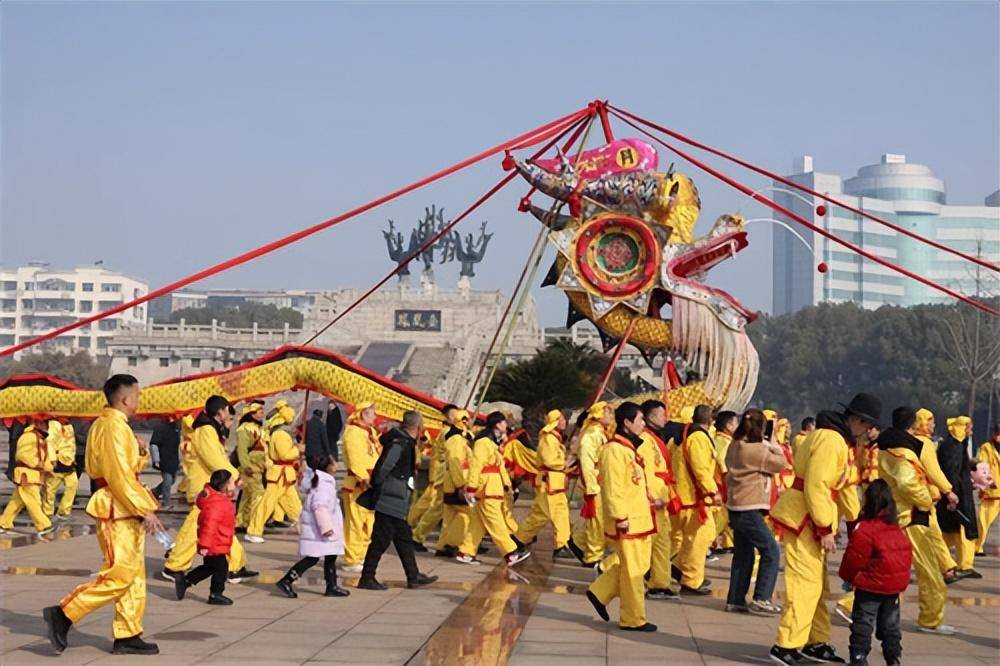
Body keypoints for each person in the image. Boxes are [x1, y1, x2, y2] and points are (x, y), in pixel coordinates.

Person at [43, 374, 163, 656]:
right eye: (137, 395)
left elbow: (125, 469)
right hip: (116, 506)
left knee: (133, 575)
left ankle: (129, 633)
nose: (139, 400)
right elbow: (118, 475)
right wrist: (142, 508)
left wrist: (140, 452)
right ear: (125, 398)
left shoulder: (116, 426)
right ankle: (64, 613)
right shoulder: (112, 427)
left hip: (124, 505)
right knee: (119, 573)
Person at [769, 392, 881, 666]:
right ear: (856, 420)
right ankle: (786, 645)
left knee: (818, 585)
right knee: (804, 585)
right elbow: (817, 485)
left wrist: (855, 522)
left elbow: (839, 487)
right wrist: (824, 527)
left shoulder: (838, 440)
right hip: (805, 519)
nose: (869, 431)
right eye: (867, 425)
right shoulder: (832, 441)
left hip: (811, 517)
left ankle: (814, 640)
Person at [878, 407, 954, 635]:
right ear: (912, 426)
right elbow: (909, 482)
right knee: (929, 570)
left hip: (900, 512)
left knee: (887, 567)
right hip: (913, 515)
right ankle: (931, 619)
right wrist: (927, 499)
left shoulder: (886, 448)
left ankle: (850, 603)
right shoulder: (905, 452)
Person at [164, 396, 254, 584]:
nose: (229, 415)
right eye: (228, 411)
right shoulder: (205, 430)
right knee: (194, 530)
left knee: (223, 527)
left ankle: (236, 565)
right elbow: (214, 459)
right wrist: (234, 476)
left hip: (212, 487)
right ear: (220, 412)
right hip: (203, 490)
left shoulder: (211, 430)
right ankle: (174, 566)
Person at [586, 402, 657, 632]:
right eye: (640, 420)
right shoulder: (614, 451)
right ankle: (633, 618)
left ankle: (600, 592)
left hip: (640, 519)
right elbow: (613, 488)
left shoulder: (628, 449)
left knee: (638, 567)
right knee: (634, 572)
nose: (643, 425)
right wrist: (620, 516)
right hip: (628, 521)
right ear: (627, 423)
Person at [358, 411, 440, 589]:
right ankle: (367, 577)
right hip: (390, 498)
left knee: (403, 538)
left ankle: (413, 575)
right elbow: (383, 468)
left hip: (397, 498)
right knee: (380, 540)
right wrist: (379, 486)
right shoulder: (400, 443)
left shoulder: (405, 442)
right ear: (418, 427)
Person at [838, 480, 911, 666]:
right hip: (893, 587)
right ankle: (893, 656)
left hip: (871, 585)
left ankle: (859, 656)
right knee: (891, 625)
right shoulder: (896, 529)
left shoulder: (865, 528)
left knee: (863, 622)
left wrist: (847, 577)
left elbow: (853, 559)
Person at [724, 408, 787, 616]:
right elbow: (780, 464)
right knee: (771, 550)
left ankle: (736, 599)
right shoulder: (757, 450)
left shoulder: (735, 445)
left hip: (736, 505)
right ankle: (762, 597)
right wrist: (774, 443)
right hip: (749, 507)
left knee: (743, 555)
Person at [458, 411, 531, 567]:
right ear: (498, 424)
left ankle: (466, 552)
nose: (506, 425)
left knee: (478, 523)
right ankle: (510, 553)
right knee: (495, 521)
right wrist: (471, 487)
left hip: (491, 487)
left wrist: (507, 485)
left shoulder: (490, 443)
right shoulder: (484, 443)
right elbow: (476, 466)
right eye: (504, 422)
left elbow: (500, 468)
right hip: (487, 489)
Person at [276, 453, 350, 598]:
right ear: (328, 467)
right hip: (321, 529)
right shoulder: (324, 485)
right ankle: (287, 580)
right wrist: (326, 528)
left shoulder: (324, 482)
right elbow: (319, 507)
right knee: (313, 558)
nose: (336, 465)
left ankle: (332, 585)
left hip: (322, 528)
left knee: (330, 556)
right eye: (334, 462)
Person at [671, 404, 719, 595]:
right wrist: (712, 491)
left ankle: (680, 567)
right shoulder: (698, 437)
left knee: (692, 537)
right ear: (710, 421)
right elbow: (701, 469)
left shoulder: (687, 435)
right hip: (693, 497)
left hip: (687, 495)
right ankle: (690, 580)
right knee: (702, 537)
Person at [635, 399, 679, 600]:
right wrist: (652, 497)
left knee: (662, 542)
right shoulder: (645, 439)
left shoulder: (655, 438)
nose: (665, 418)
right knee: (645, 543)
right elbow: (646, 471)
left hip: (662, 495)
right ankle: (607, 568)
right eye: (662, 414)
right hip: (653, 498)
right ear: (650, 417)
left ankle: (660, 584)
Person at [516, 410, 575, 560]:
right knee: (541, 515)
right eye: (561, 419)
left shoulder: (555, 439)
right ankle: (519, 538)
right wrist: (564, 463)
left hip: (556, 483)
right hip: (549, 483)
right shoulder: (548, 438)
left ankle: (562, 544)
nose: (564, 421)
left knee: (561, 514)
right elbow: (549, 461)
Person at [174, 469, 238, 605]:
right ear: (225, 484)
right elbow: (209, 526)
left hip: (218, 540)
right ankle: (216, 593)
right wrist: (204, 545)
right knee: (221, 568)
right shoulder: (217, 503)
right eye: (232, 481)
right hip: (215, 542)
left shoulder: (217, 498)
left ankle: (186, 581)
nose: (234, 484)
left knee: (210, 567)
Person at [912, 408, 962, 583]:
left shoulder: (915, 441)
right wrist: (948, 490)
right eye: (930, 421)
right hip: (920, 498)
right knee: (927, 536)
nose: (933, 424)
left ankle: (947, 567)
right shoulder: (924, 444)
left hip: (922, 497)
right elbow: (933, 471)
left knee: (934, 534)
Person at [245, 402, 304, 543]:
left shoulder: (277, 433)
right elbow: (285, 455)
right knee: (268, 503)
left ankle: (306, 529)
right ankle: (254, 530)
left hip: (284, 475)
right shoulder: (281, 434)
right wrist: (298, 450)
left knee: (294, 504)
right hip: (280, 475)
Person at [567, 402, 613, 568]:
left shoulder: (600, 433)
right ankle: (593, 556)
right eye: (607, 413)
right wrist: (591, 486)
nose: (610, 416)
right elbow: (586, 461)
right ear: (599, 414)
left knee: (598, 521)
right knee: (597, 521)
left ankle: (578, 543)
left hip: (601, 481)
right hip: (595, 482)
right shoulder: (591, 434)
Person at [339, 401, 382, 572]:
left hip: (372, 483)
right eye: (372, 413)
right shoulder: (353, 433)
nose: (375, 417)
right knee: (355, 523)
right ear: (364, 414)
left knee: (369, 522)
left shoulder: (368, 432)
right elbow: (355, 459)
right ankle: (351, 558)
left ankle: (361, 555)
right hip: (359, 484)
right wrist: (364, 478)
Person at [936, 416, 981, 578]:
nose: (971, 430)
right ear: (961, 427)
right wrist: (951, 496)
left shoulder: (958, 444)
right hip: (957, 494)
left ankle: (963, 565)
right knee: (960, 530)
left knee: (956, 531)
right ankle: (958, 565)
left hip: (959, 492)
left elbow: (959, 467)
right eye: (969, 427)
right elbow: (951, 472)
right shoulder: (952, 446)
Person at [409, 404, 458, 549]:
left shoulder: (452, 433)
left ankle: (449, 542)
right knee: (434, 507)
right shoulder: (448, 433)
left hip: (445, 473)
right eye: (455, 415)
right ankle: (415, 534)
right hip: (443, 474)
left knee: (436, 506)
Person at [0, 418, 54, 535]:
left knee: (16, 502)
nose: (47, 426)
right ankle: (44, 526)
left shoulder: (39, 437)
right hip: (27, 474)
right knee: (33, 500)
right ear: (38, 423)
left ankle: (3, 523)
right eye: (46, 423)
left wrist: (49, 467)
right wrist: (39, 465)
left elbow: (44, 457)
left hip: (32, 474)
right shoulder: (29, 437)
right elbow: (22, 455)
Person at [434, 409, 476, 558]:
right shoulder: (457, 440)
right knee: (467, 514)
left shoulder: (458, 438)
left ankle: (442, 546)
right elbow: (456, 464)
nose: (471, 421)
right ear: (464, 421)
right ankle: (452, 543)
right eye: (469, 419)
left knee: (449, 517)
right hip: (456, 483)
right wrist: (461, 485)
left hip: (452, 482)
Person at [234, 401, 268, 531]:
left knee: (247, 497)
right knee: (259, 495)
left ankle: (241, 522)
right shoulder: (244, 429)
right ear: (251, 414)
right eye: (258, 411)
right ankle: (255, 524)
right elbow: (241, 450)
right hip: (251, 468)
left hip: (258, 467)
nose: (261, 413)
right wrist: (246, 465)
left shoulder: (259, 428)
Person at [712, 410, 739, 554]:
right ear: (728, 426)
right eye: (735, 423)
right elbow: (722, 461)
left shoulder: (721, 439)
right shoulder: (723, 441)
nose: (737, 426)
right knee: (721, 518)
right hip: (721, 483)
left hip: (721, 483)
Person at [43, 422, 79, 521]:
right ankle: (47, 512)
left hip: (69, 461)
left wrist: (73, 457)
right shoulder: (54, 424)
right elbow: (50, 442)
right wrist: (52, 459)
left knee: (73, 485)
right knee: (50, 488)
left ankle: (64, 511)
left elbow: (71, 443)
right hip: (58, 461)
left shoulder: (69, 425)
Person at [975, 424, 1000, 556]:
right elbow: (982, 466)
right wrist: (988, 482)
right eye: (997, 433)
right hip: (992, 492)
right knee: (984, 521)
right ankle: (977, 547)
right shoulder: (986, 448)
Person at [150, 419, 180, 510]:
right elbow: (154, 444)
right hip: (164, 460)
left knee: (172, 480)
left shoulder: (176, 430)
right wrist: (156, 460)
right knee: (168, 481)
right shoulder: (160, 428)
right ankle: (166, 503)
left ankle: (154, 492)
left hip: (173, 460)